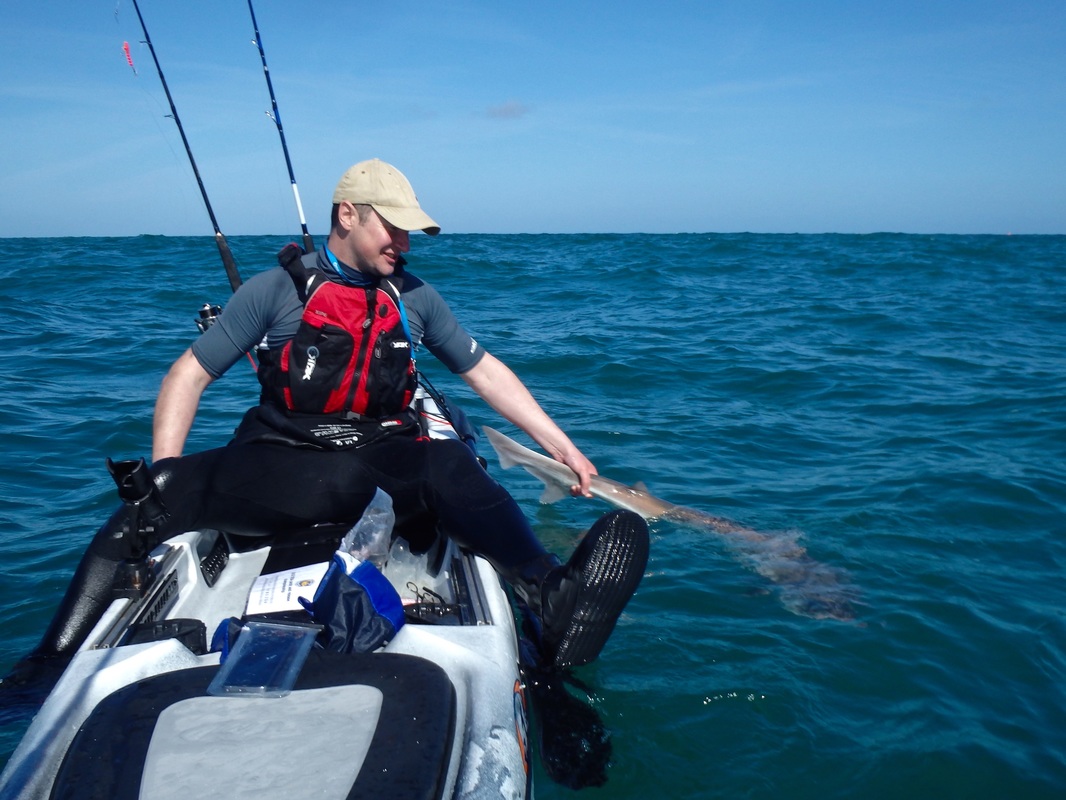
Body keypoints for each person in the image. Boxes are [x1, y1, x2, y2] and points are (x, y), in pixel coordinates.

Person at [19, 159, 647, 674]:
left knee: (450, 461)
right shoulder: (274, 291)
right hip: (285, 466)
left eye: (408, 233)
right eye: (392, 229)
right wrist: (169, 468)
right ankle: (49, 664)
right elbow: (189, 374)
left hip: (381, 466)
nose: (401, 245)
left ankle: (550, 591)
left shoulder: (415, 297)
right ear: (347, 215)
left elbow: (481, 370)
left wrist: (560, 444)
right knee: (151, 497)